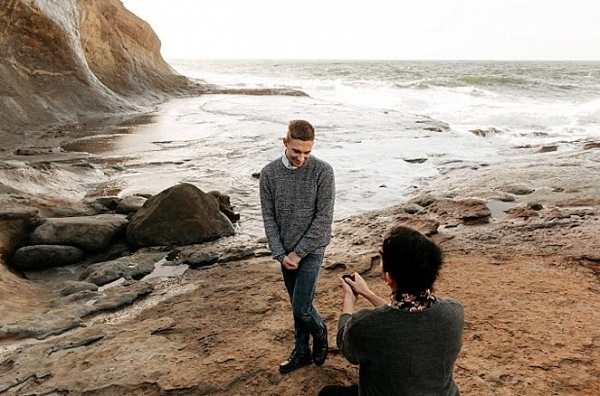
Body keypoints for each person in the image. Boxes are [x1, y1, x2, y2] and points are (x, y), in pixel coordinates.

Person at [320, 226, 464, 396]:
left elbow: (345, 343)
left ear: (388, 278)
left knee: (327, 393)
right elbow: (404, 313)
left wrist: (349, 299)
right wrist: (368, 293)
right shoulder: (454, 311)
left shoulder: (366, 325)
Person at [259, 119, 335, 373]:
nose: (302, 158)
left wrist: (298, 252)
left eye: (307, 152)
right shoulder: (269, 174)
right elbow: (268, 217)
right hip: (285, 254)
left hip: (312, 250)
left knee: (302, 306)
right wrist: (281, 254)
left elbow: (324, 218)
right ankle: (301, 351)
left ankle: (320, 333)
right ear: (285, 142)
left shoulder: (323, 172)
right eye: (296, 151)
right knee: (296, 304)